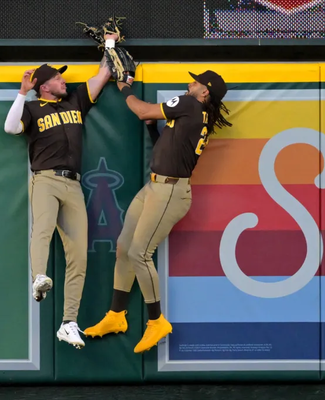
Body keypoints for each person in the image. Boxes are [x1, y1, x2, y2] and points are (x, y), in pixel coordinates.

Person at [84, 70, 233, 353]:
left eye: (196, 82)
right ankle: (116, 315)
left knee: (139, 253)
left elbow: (142, 111)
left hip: (170, 191)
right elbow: (167, 147)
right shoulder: (196, 113)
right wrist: (153, 129)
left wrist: (124, 87)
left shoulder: (190, 104)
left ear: (205, 92)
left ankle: (157, 321)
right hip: (156, 187)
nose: (189, 83)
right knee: (124, 247)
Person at [3, 33, 118, 350]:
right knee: (42, 228)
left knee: (79, 254)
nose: (62, 80)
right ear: (43, 86)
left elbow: (103, 74)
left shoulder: (75, 101)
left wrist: (109, 45)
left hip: (74, 185)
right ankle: (38, 277)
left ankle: (69, 323)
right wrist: (22, 93)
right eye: (56, 77)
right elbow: (10, 128)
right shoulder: (32, 108)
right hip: (46, 179)